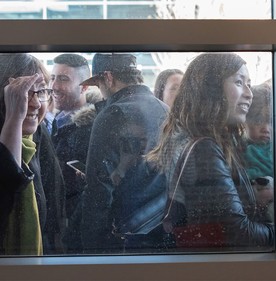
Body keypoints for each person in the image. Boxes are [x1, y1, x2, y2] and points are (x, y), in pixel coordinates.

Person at [147, 53, 275, 250]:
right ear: (211, 89)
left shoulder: (185, 134)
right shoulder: (203, 148)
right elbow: (239, 232)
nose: (249, 93)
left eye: (249, 83)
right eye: (239, 82)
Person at [80, 53, 169, 253]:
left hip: (122, 237)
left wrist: (91, 247)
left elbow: (98, 188)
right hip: (160, 227)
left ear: (108, 77)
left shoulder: (113, 113)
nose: (101, 92)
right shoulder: (165, 109)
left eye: (99, 84)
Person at [0, 53, 65, 255]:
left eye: (42, 91)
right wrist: (14, 119)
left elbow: (54, 207)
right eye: (25, 92)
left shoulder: (37, 139)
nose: (36, 103)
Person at [49, 53, 92, 253]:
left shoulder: (91, 130)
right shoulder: (55, 122)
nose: (54, 86)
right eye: (53, 78)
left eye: (63, 79)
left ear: (84, 86)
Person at [243, 80, 274, 220]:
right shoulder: (240, 149)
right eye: (258, 122)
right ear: (244, 122)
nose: (266, 129)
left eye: (271, 122)